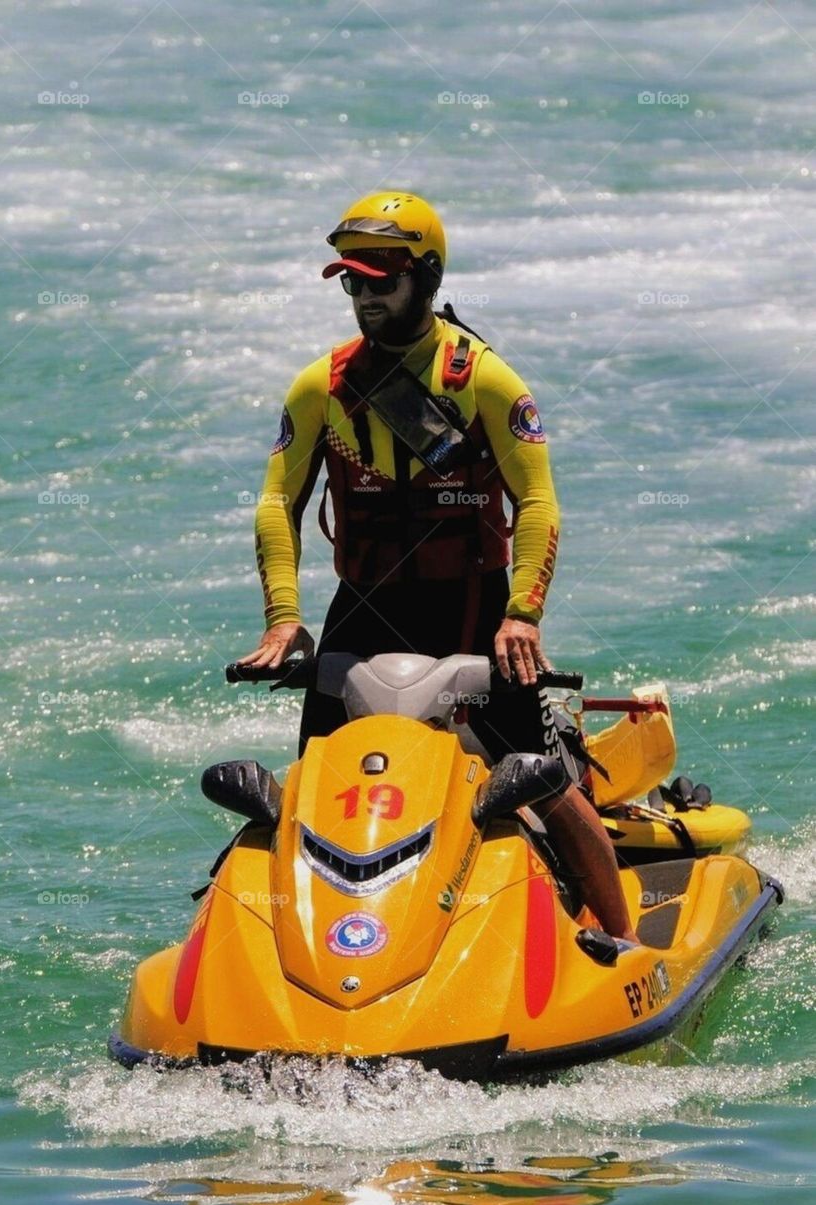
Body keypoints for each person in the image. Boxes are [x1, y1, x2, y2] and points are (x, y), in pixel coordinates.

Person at [240, 191, 637, 943]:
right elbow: (275, 503)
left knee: (537, 777)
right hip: (361, 610)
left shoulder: (487, 382)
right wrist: (284, 619)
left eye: (378, 283)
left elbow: (539, 502)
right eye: (351, 284)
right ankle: (296, 946)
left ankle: (626, 947)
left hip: (477, 612)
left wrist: (522, 613)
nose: (362, 299)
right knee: (315, 791)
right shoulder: (321, 388)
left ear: (425, 277)